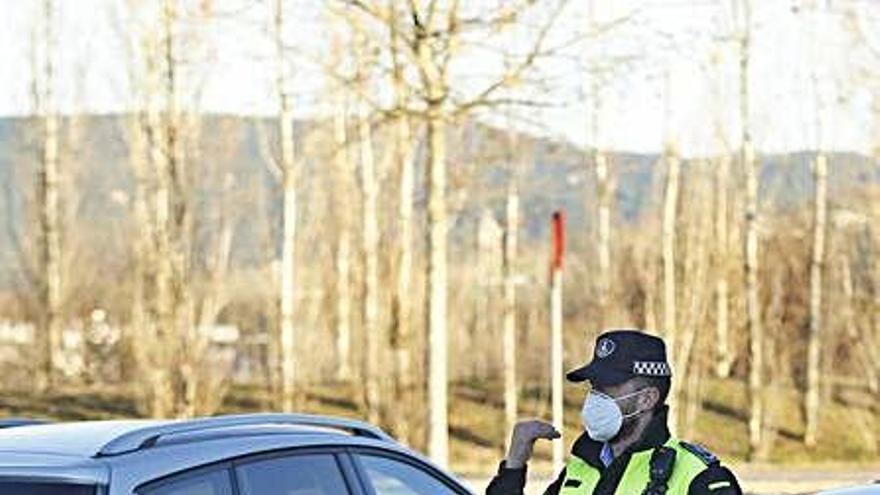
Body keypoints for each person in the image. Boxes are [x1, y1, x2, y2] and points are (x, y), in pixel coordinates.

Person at [486, 329, 742, 495]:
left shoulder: (698, 477)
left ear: (647, 398)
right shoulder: (579, 470)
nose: (596, 397)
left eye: (608, 387)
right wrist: (514, 466)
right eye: (594, 386)